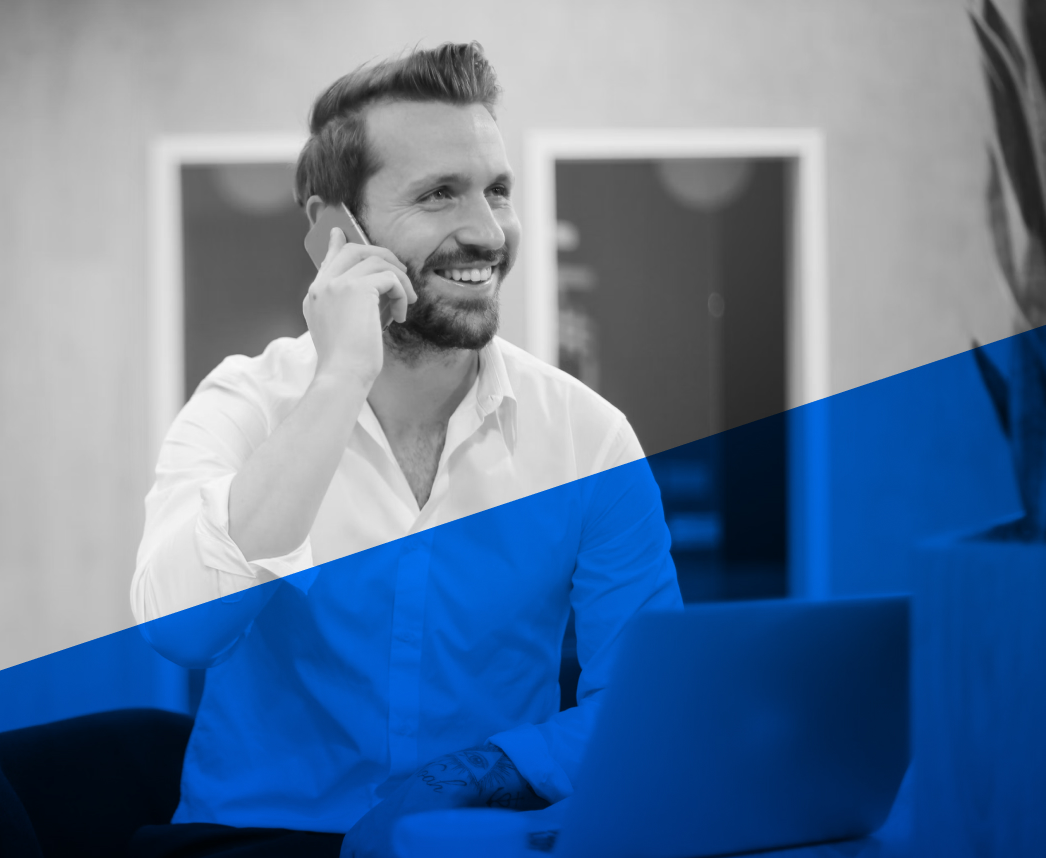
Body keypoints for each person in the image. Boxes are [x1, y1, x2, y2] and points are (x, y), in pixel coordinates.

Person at [130, 42, 681, 858]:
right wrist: (341, 377)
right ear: (333, 230)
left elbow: (644, 707)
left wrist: (469, 773)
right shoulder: (245, 404)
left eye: (497, 190)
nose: (487, 231)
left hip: (470, 838)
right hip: (261, 841)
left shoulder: (588, 439)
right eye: (439, 195)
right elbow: (181, 630)